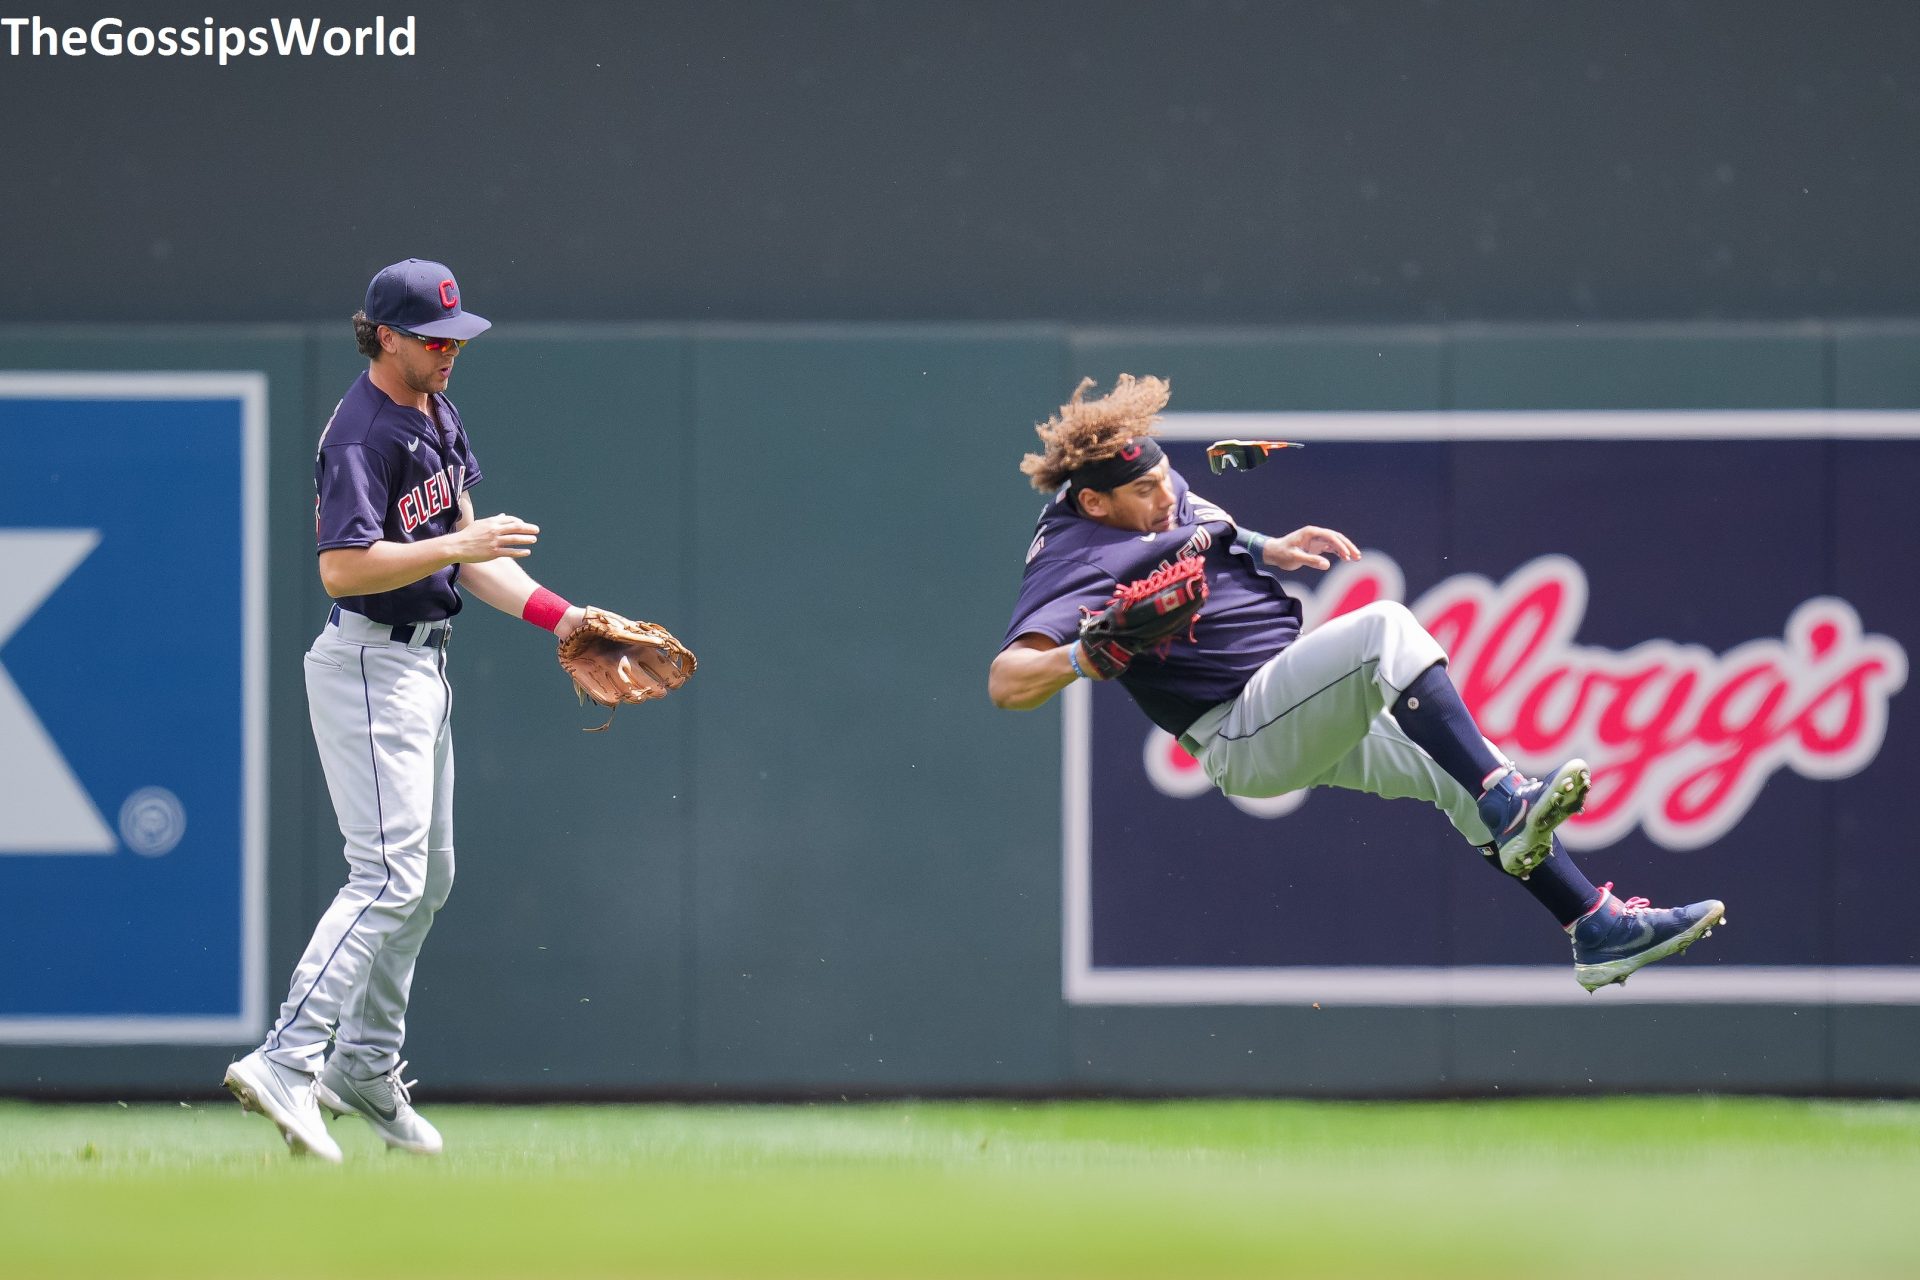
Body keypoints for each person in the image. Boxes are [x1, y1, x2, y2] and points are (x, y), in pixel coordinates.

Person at [989, 374, 1725, 990]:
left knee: (1449, 774)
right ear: (1094, 503)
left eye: (1163, 478)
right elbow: (1007, 680)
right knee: (1384, 631)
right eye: (1145, 490)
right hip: (1240, 731)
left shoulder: (1152, 490)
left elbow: (1199, 525)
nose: (1164, 494)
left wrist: (1266, 544)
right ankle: (1510, 796)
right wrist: (1083, 659)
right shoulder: (1074, 555)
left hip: (1283, 694)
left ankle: (1594, 928)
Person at [222, 259, 612, 1161]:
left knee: (425, 881)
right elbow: (343, 567)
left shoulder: (436, 410)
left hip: (423, 669)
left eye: (456, 336)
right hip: (367, 663)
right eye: (434, 338)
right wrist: (452, 540)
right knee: (388, 876)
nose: (450, 351)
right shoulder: (360, 433)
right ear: (384, 335)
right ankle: (288, 1059)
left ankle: (363, 1063)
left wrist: (565, 616)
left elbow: (467, 558)